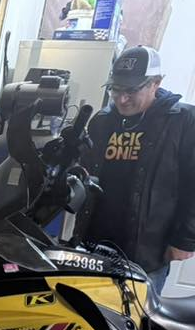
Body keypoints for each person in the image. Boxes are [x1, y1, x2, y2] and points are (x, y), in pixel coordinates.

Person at [79, 46, 195, 294]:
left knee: (137, 323)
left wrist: (186, 239)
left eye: (131, 91)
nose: (122, 99)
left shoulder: (184, 121)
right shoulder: (102, 121)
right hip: (94, 245)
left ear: (156, 82)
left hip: (147, 251)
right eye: (116, 90)